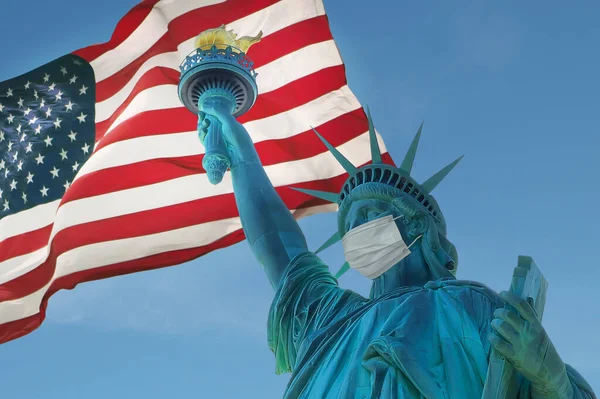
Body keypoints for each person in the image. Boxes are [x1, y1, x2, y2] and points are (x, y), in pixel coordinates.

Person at [199, 96, 596, 399]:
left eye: (369, 212)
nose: (355, 230)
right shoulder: (329, 319)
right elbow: (278, 245)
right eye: (349, 224)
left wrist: (551, 378)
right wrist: (241, 155)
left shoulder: (472, 306)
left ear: (417, 227)